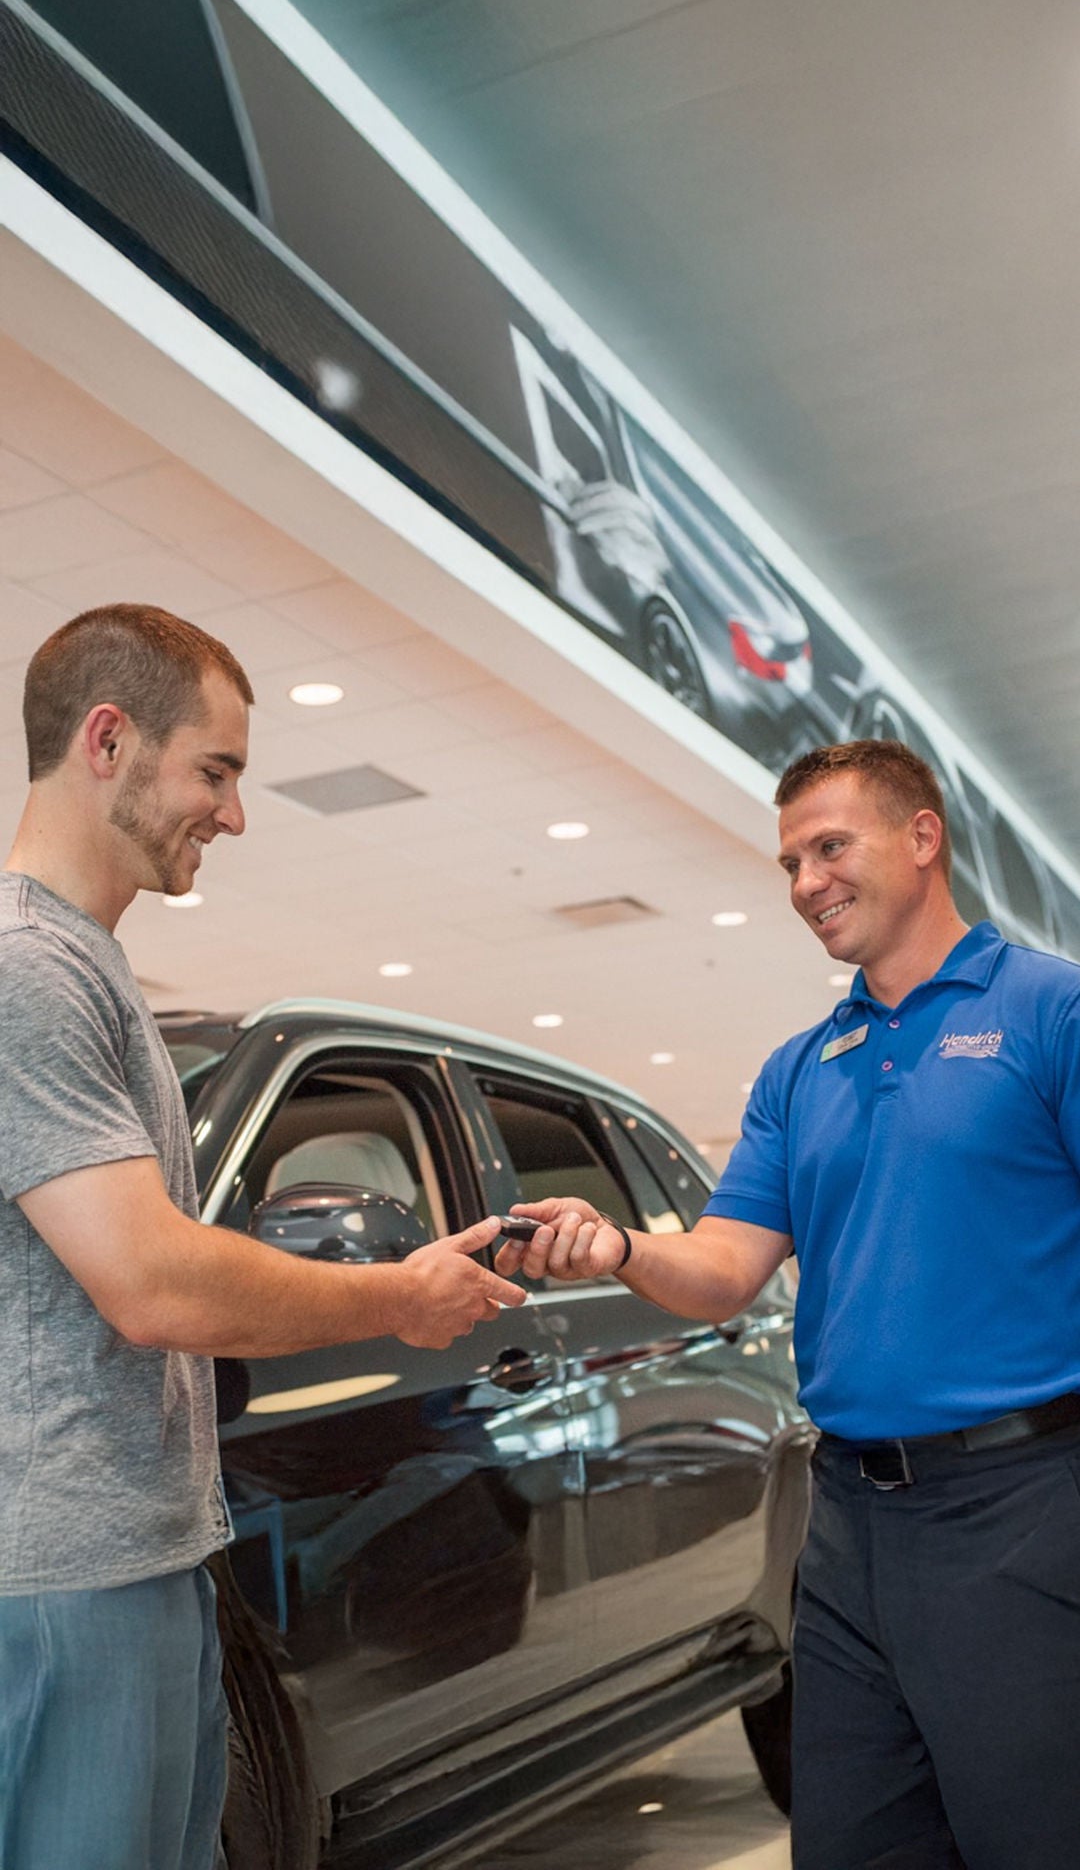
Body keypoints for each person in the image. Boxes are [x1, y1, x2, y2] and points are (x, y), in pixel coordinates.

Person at [0, 603, 526, 1870]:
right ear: (108, 740)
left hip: (143, 1550)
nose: (232, 815)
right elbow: (150, 1281)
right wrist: (396, 1297)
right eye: (216, 772)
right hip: (64, 1570)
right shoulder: (27, 969)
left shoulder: (88, 967)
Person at [497, 737, 1080, 1870]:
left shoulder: (1049, 1011)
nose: (807, 882)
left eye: (829, 847)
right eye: (790, 863)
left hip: (1022, 1507)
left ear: (921, 839)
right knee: (853, 1845)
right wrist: (618, 1246)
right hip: (851, 1527)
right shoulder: (802, 1068)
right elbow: (721, 1269)